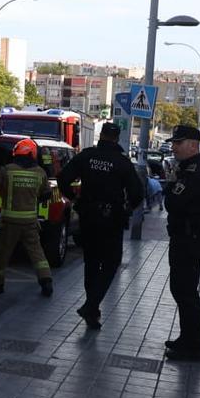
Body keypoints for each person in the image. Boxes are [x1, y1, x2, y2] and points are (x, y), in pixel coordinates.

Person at [57, 122, 143, 328]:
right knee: (111, 263)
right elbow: (138, 193)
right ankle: (91, 305)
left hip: (87, 216)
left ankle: (92, 310)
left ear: (101, 136)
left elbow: (63, 178)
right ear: (117, 138)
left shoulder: (86, 156)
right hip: (111, 218)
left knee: (92, 263)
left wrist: (75, 200)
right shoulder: (122, 162)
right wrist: (127, 209)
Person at [162, 125, 200, 361]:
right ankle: (188, 338)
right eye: (173, 143)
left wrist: (171, 183)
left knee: (184, 291)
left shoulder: (194, 172)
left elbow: (173, 203)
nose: (173, 147)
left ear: (193, 145)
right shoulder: (196, 167)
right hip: (191, 236)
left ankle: (193, 345)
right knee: (183, 290)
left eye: (178, 143)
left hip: (189, 238)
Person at [0, 138, 54, 297]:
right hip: (30, 221)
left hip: (10, 222)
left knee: (3, 253)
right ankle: (46, 281)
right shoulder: (40, 173)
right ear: (32, 154)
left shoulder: (7, 170)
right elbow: (47, 194)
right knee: (37, 252)